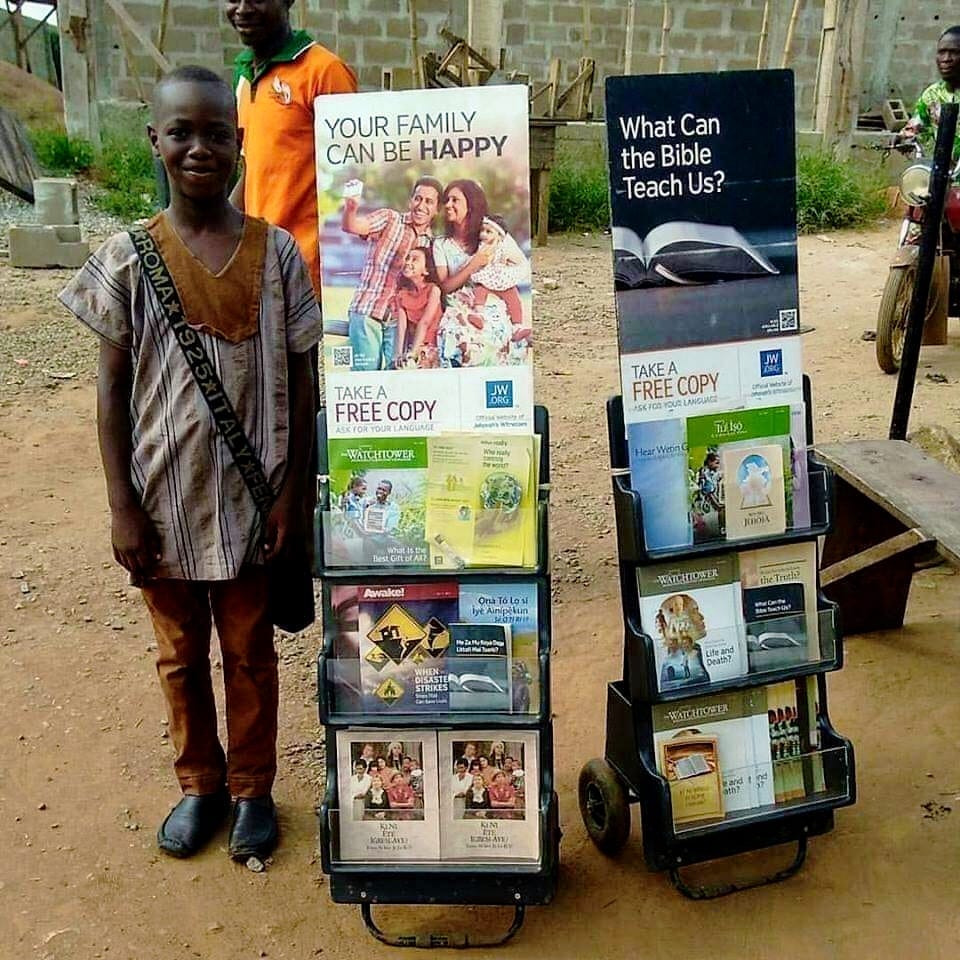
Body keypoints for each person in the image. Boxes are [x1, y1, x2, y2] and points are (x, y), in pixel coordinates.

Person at [58, 66, 320, 862]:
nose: (199, 148)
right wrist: (120, 506)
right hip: (163, 506)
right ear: (155, 143)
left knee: (248, 652)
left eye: (215, 134)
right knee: (179, 656)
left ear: (240, 146)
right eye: (181, 133)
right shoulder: (127, 257)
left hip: (249, 506)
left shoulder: (276, 255)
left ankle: (252, 790)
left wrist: (292, 498)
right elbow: (109, 394)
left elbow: (306, 384)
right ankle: (198, 783)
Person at [228, 0, 357, 294]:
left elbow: (352, 174)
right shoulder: (245, 73)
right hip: (260, 262)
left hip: (307, 269)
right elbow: (252, 169)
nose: (243, 9)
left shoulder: (325, 71)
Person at [341, 177, 443, 371]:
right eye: (418, 199)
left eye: (429, 202)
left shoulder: (431, 244)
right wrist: (351, 208)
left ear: (437, 209)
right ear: (410, 200)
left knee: (393, 381)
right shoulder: (390, 219)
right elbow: (351, 226)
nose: (421, 205)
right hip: (368, 311)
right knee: (365, 380)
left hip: (399, 324)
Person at [432, 180, 524, 367]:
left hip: (492, 303)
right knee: (458, 337)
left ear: (470, 205)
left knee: (498, 335)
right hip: (460, 306)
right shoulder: (441, 245)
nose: (448, 205)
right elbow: (445, 287)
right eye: (446, 200)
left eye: (455, 200)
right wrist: (474, 264)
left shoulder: (490, 234)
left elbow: (519, 262)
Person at [902, 26, 960, 161]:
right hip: (944, 176)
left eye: (954, 52)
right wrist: (903, 139)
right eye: (941, 52)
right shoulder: (933, 94)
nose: (946, 59)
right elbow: (915, 127)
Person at [469, 216, 530, 337]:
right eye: (482, 231)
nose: (484, 234)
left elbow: (517, 260)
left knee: (514, 297)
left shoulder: (504, 247)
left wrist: (508, 260)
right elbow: (477, 260)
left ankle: (517, 326)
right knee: (480, 291)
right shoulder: (481, 246)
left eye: (488, 232)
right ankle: (479, 315)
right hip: (486, 276)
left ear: (499, 235)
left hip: (501, 277)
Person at [390, 246, 443, 366]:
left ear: (426, 270)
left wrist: (413, 353)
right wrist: (398, 354)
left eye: (414, 259)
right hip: (414, 345)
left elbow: (425, 322)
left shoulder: (433, 290)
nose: (408, 262)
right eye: (407, 258)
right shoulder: (402, 294)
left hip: (432, 345)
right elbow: (401, 326)